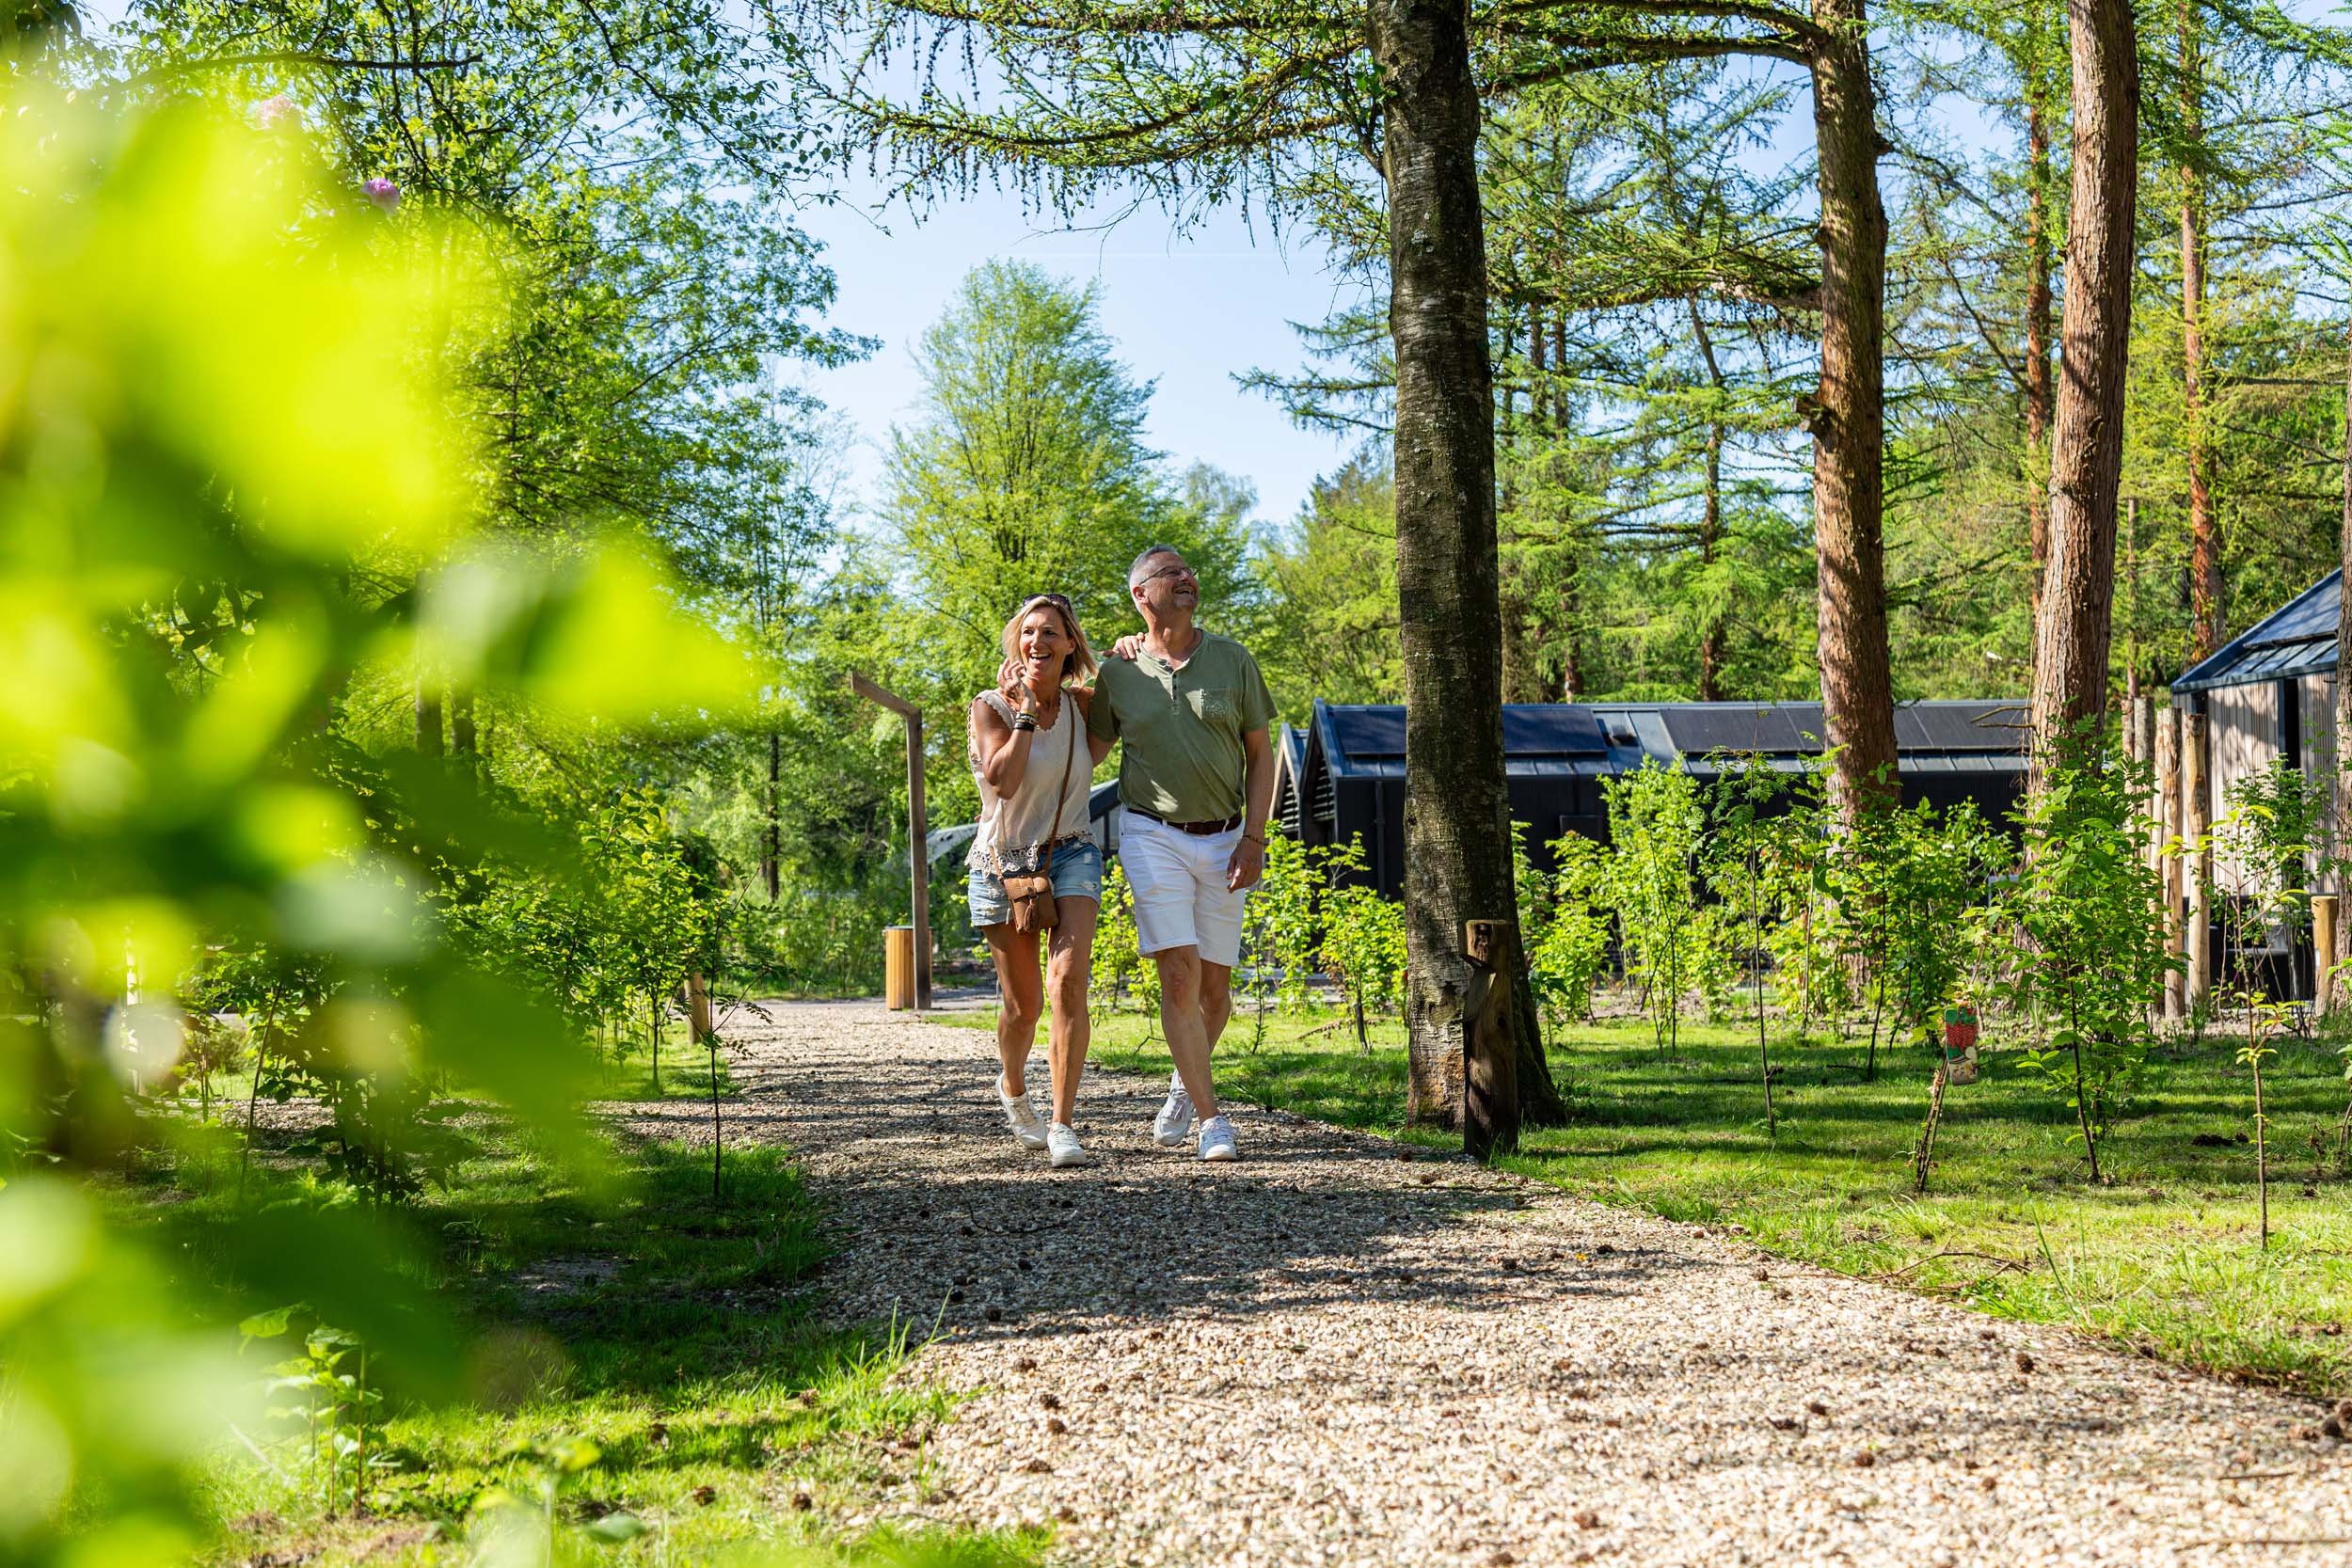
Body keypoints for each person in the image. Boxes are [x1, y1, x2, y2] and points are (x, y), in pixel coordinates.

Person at [1089, 545, 1276, 1161]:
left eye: (1189, 570)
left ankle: (1180, 1084)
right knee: (1178, 973)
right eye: (1171, 573)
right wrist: (1032, 697)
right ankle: (1211, 1118)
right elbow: (1086, 750)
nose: (1188, 577)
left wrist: (1254, 836)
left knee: (1215, 991)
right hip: (1151, 834)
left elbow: (1261, 755)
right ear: (1141, 595)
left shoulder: (1233, 660)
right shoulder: (1118, 673)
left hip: (1226, 840)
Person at [967, 594, 1111, 1169]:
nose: (1038, 643)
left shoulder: (1084, 705)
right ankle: (1012, 1085)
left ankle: (1063, 1123)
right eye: (1029, 633)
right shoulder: (990, 707)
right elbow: (1001, 781)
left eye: (1051, 633)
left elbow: (1137, 686)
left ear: (1071, 643)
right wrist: (1025, 711)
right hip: (1002, 866)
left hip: (1072, 853)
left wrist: (1125, 651)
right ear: (1016, 643)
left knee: (1068, 981)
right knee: (1023, 1007)